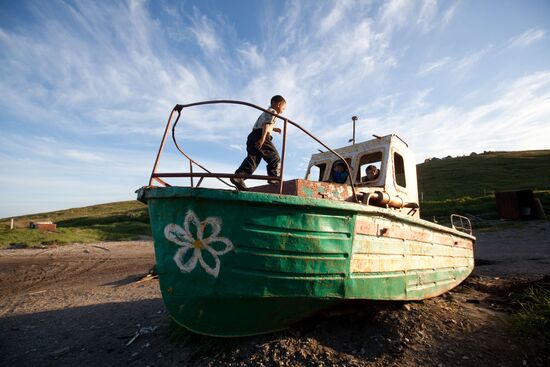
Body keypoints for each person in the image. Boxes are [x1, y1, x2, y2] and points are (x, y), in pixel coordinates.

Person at [231, 95, 286, 191]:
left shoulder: (266, 112)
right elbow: (265, 125)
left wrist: (274, 129)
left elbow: (263, 124)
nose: (283, 110)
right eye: (284, 108)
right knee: (275, 158)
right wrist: (262, 139)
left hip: (253, 135)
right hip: (261, 135)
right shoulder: (273, 112)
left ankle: (238, 177)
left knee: (253, 159)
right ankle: (275, 179)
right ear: (279, 104)